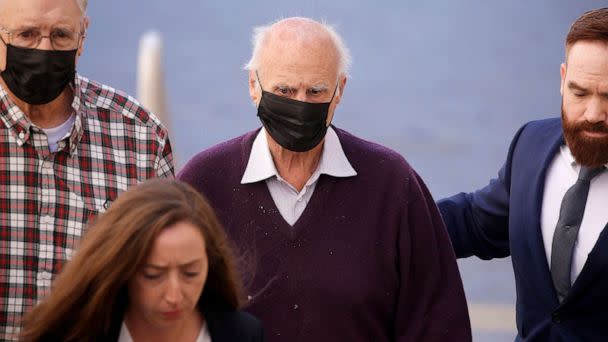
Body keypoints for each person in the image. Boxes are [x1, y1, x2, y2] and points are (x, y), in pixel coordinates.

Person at [178, 17, 471, 341]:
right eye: (285, 90)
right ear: (253, 86)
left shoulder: (392, 184)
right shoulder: (204, 184)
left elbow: (439, 324)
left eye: (316, 91)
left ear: (339, 90)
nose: (300, 105)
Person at [0, 0, 173, 337]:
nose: (44, 49)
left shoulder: (139, 137)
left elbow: (164, 280)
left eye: (61, 35)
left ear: (83, 36)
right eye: (27, 34)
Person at [438, 8, 608, 341]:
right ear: (562, 80)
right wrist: (389, 227)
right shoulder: (531, 144)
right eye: (579, 92)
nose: (593, 114)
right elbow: (476, 222)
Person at [19, 179, 263, 341]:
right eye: (153, 275)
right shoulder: (71, 335)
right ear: (122, 269)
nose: (174, 296)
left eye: (191, 273)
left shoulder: (243, 334)